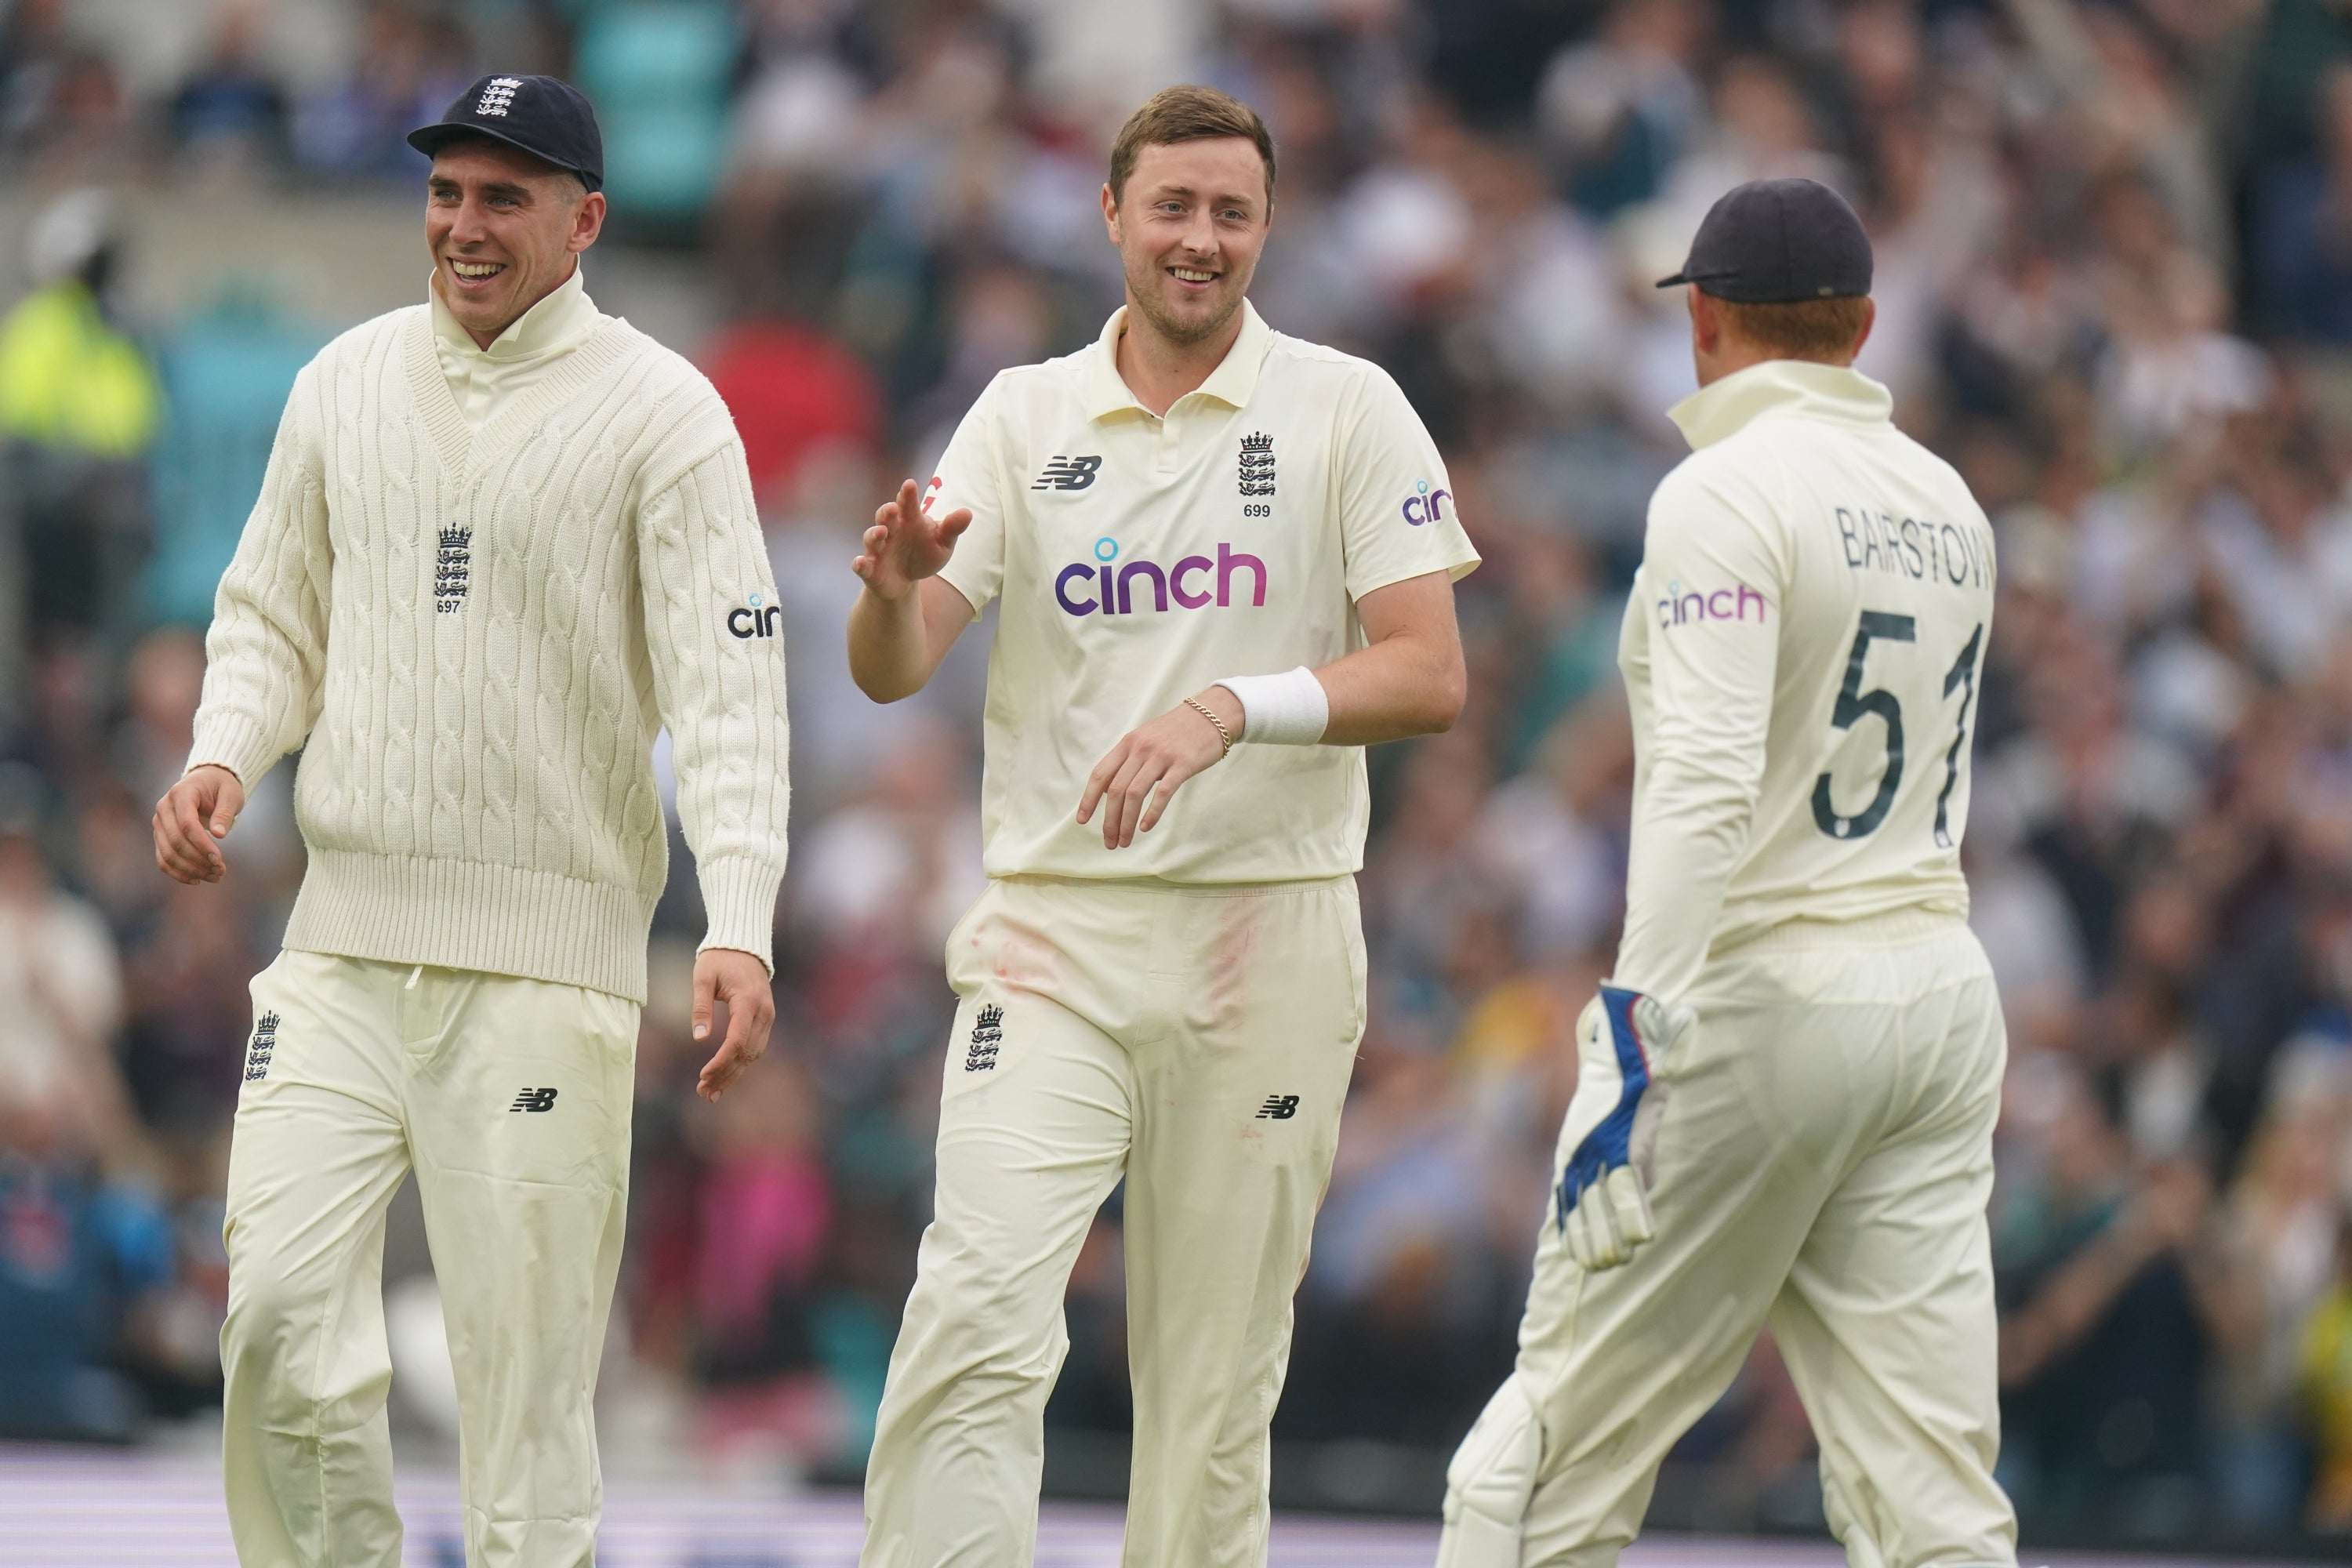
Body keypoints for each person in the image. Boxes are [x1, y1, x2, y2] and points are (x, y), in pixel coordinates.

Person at [150, 74, 790, 1568]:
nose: (465, 225)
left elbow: (734, 695)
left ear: (588, 220)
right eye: (447, 192)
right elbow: (268, 618)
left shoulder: (666, 415)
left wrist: (742, 919)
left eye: (505, 197)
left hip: (549, 970)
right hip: (342, 949)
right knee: (280, 1335)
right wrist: (222, 754)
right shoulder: (344, 382)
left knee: (525, 1401)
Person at [844, 84, 1479, 1568]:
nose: (1202, 241)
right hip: (1055, 935)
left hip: (1268, 937)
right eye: (1175, 208)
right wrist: (885, 594)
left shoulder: (1347, 406)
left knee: (1210, 1388)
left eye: (1232, 213)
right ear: (1114, 216)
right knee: (978, 1311)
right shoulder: (1023, 414)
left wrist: (1226, 709)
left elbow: (1429, 670)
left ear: (1266, 228)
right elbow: (898, 668)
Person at [1438, 178, 2017, 1567]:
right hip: (1938, 991)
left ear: (1702, 324)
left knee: (1536, 1476)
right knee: (1933, 1501)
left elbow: (1700, 782)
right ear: (1864, 327)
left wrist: (1634, 1026)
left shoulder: (1720, 489)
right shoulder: (1951, 502)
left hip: (1767, 992)